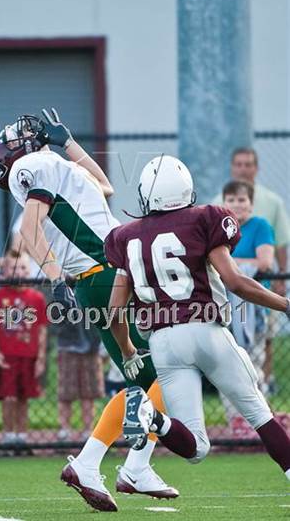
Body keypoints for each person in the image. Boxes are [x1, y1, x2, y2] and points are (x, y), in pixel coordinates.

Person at [0, 110, 178, 512]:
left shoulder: (52, 164)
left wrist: (68, 142)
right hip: (102, 273)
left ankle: (92, 464)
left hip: (109, 272)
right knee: (167, 372)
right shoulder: (31, 165)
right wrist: (55, 276)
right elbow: (28, 230)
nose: (24, 135)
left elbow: (104, 185)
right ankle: (133, 467)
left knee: (147, 377)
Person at [104, 155, 290, 481]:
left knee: (197, 449)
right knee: (260, 414)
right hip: (206, 329)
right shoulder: (205, 218)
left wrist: (127, 350)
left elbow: (115, 310)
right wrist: (285, 304)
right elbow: (235, 282)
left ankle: (153, 417)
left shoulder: (126, 236)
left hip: (162, 342)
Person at [212, 147, 290, 390]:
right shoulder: (216, 205)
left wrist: (280, 277)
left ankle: (264, 385)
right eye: (239, 164)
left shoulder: (270, 206)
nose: (236, 204)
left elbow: (277, 247)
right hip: (224, 297)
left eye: (248, 164)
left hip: (257, 291)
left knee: (260, 341)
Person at [221, 180, 275, 433]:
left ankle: (261, 421)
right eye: (231, 200)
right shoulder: (221, 229)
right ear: (224, 203)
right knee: (225, 367)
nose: (237, 205)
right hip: (223, 311)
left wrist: (229, 263)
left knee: (253, 366)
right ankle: (236, 423)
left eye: (242, 200)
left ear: (251, 203)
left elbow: (264, 262)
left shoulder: (260, 226)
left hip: (255, 310)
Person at [0, 251, 47, 444]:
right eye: (13, 267)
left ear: (29, 270)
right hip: (7, 355)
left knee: (23, 397)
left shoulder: (36, 298)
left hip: (28, 355)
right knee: (8, 397)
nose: (18, 272)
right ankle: (8, 435)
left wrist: (41, 358)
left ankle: (22, 436)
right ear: (5, 271)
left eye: (22, 267)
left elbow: (42, 330)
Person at [57, 320, 104, 441]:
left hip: (91, 347)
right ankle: (65, 431)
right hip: (67, 346)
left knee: (88, 393)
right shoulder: (61, 300)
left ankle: (88, 431)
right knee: (65, 393)